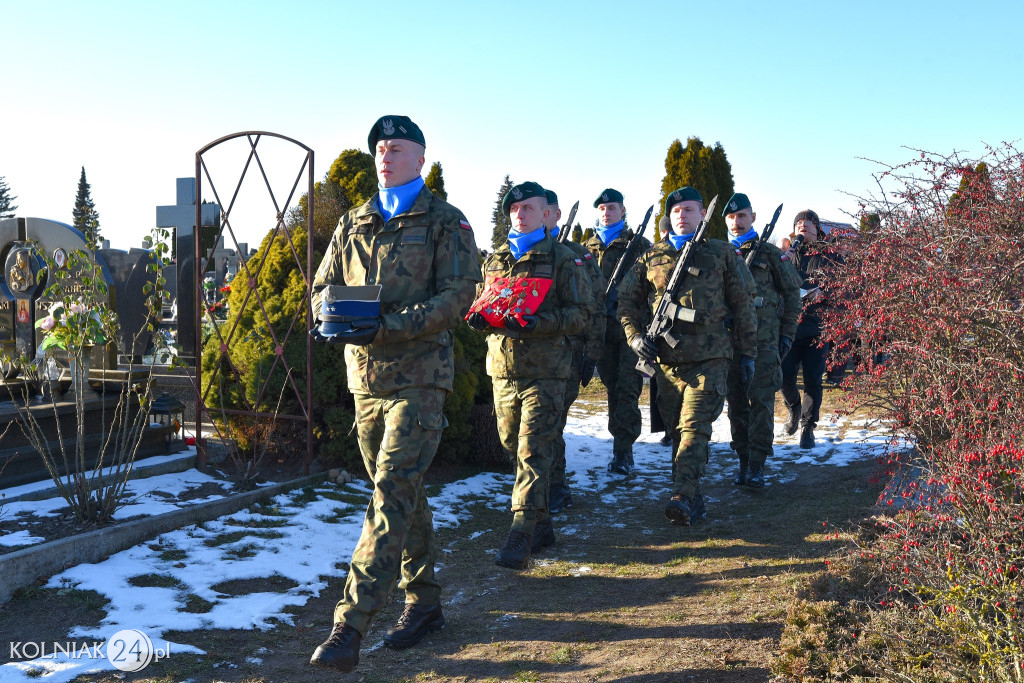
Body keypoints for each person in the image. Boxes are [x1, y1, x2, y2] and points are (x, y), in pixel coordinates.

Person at [308, 115, 482, 673]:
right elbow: (321, 286)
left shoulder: (444, 221)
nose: (385, 155)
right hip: (366, 380)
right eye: (380, 147)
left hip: (420, 378)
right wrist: (329, 316)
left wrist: (389, 325)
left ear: (420, 159)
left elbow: (459, 296)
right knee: (405, 495)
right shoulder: (353, 221)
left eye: (397, 147)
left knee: (389, 494)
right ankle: (425, 602)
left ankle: (349, 626)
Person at [467, 181, 592, 569]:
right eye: (515, 208)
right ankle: (542, 525)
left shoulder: (562, 258)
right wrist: (477, 316)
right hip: (503, 371)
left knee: (533, 450)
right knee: (511, 445)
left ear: (545, 214)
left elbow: (582, 314)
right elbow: (484, 300)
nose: (520, 214)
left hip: (548, 372)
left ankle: (520, 533)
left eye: (528, 208)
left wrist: (539, 322)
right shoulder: (495, 260)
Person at [618, 186, 757, 525]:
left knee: (695, 427)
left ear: (702, 216)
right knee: (679, 433)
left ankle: (681, 495)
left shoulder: (722, 253)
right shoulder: (651, 257)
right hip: (665, 365)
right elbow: (625, 303)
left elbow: (744, 305)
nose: (682, 215)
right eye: (676, 210)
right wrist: (635, 338)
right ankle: (690, 494)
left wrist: (748, 352)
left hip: (711, 359)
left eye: (690, 209)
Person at [721, 193, 801, 487]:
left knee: (762, 403)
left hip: (764, 343)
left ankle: (757, 464)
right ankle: (742, 460)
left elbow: (794, 293)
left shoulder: (769, 254)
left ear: (752, 217)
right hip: (728, 344)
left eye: (742, 215)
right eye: (731, 217)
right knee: (737, 405)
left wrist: (788, 333)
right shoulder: (717, 255)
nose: (737, 222)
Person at [542, 189, 606, 515]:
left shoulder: (579, 256)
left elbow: (596, 305)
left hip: (569, 351)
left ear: (556, 214)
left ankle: (555, 487)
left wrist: (592, 353)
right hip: (527, 355)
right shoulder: (517, 251)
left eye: (548, 211)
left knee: (553, 423)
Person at [584, 189, 651, 475]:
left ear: (622, 210)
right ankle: (619, 444)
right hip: (598, 330)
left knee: (627, 389)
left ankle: (623, 451)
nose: (606, 212)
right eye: (602, 207)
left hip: (630, 329)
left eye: (612, 207)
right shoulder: (585, 248)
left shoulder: (639, 245)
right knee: (612, 386)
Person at [780, 209, 835, 449]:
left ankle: (807, 428)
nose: (803, 226)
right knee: (783, 377)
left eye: (808, 222)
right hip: (788, 329)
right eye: (799, 223)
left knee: (813, 381)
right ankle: (794, 409)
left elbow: (843, 287)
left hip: (816, 329)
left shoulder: (830, 256)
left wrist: (824, 293)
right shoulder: (787, 254)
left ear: (817, 228)